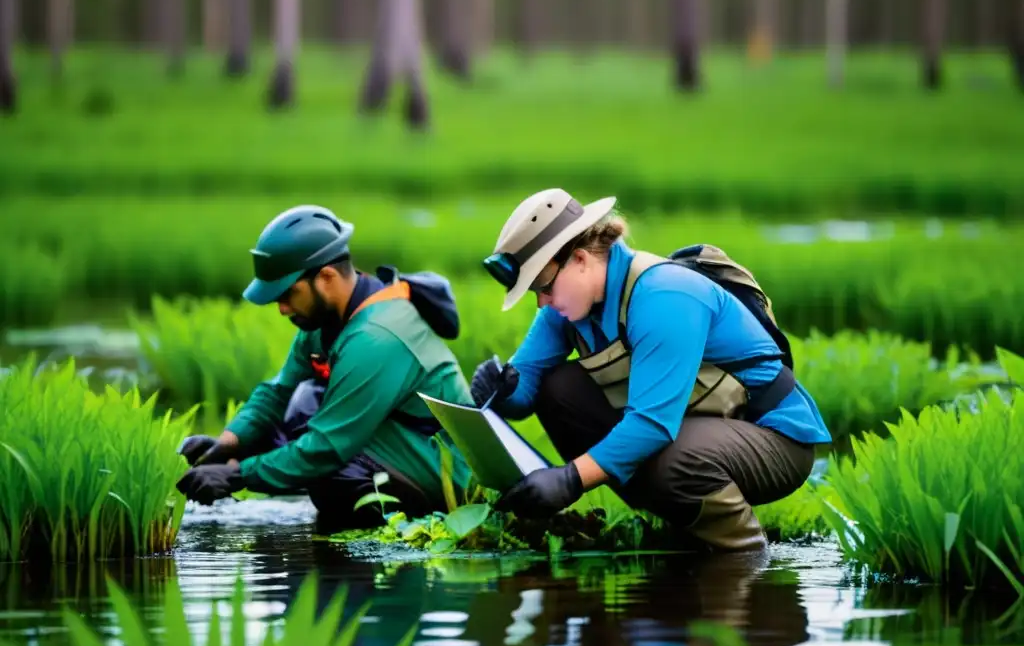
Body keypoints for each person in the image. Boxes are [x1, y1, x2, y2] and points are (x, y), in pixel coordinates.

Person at [472, 188, 833, 551]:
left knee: (673, 460)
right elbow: (528, 389)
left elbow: (652, 424)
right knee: (559, 388)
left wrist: (570, 479)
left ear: (580, 259)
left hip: (775, 440)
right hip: (692, 429)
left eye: (544, 286)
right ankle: (678, 529)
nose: (542, 301)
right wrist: (501, 391)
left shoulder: (664, 296)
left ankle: (742, 552)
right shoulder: (565, 308)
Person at [174, 204, 474, 534]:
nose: (282, 308)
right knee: (302, 401)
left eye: (288, 294)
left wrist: (236, 475)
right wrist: (230, 443)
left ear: (327, 277)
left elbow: (327, 449)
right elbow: (277, 393)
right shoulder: (323, 322)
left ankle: (374, 550)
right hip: (395, 448)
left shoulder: (376, 338)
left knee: (328, 466)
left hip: (447, 479)